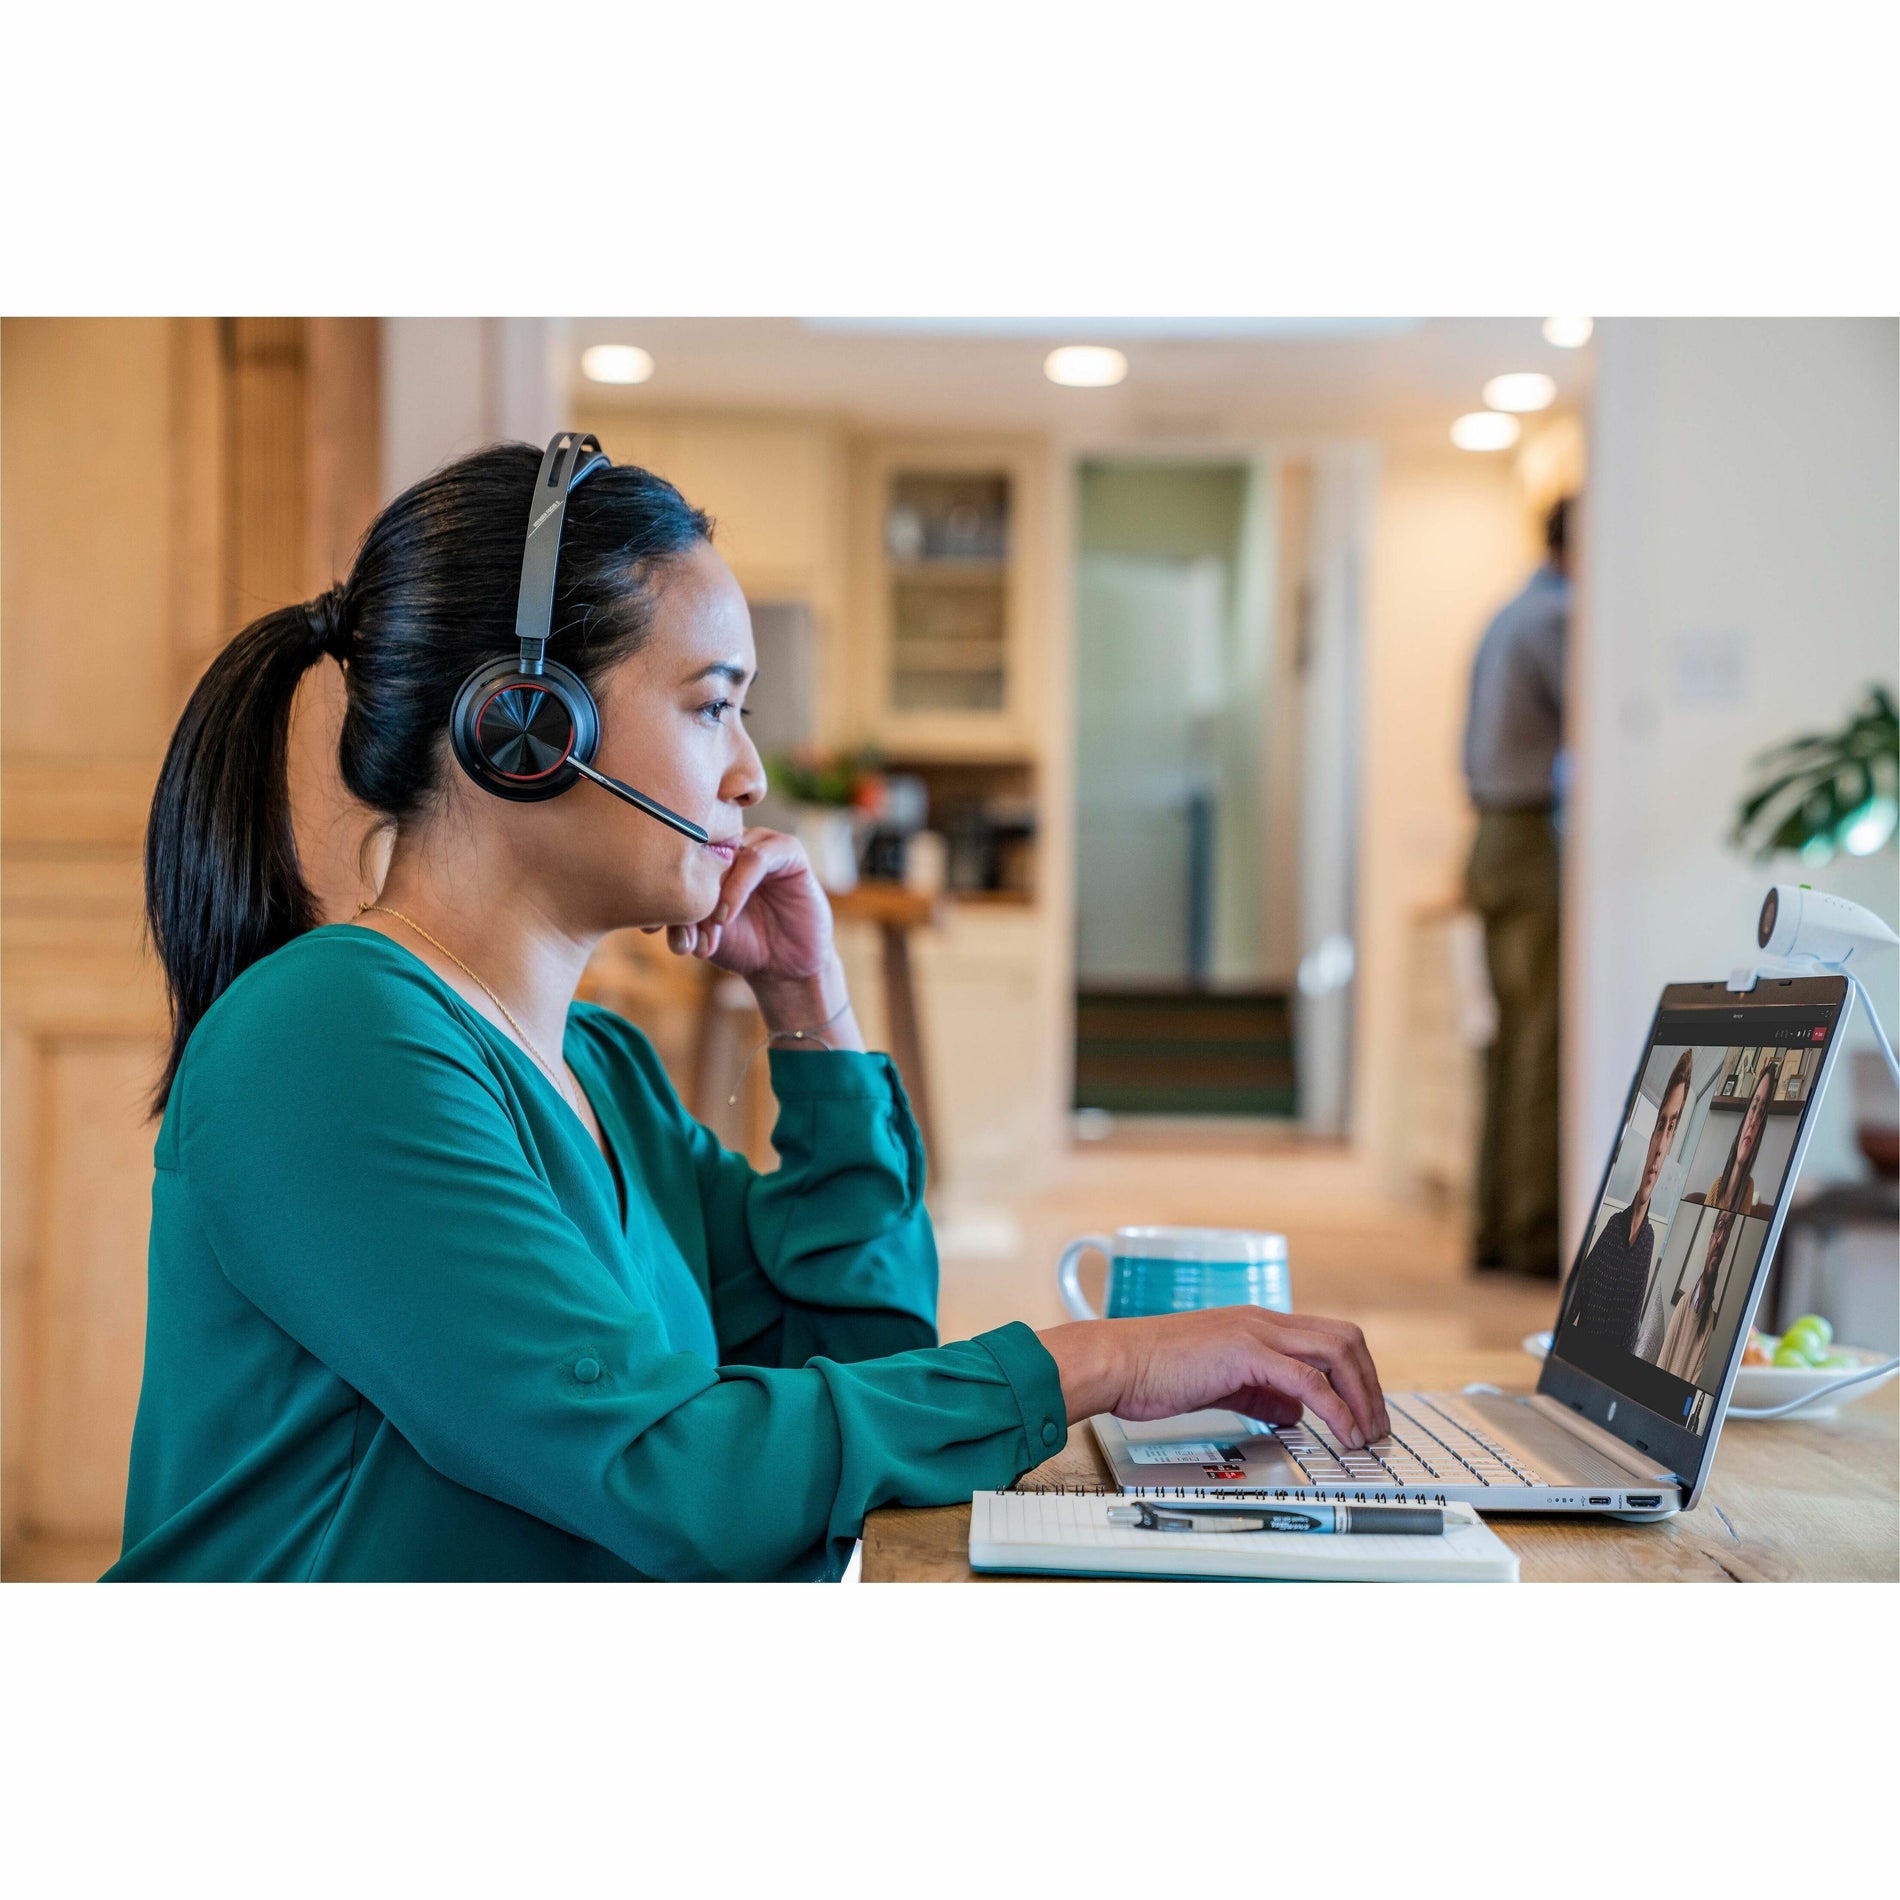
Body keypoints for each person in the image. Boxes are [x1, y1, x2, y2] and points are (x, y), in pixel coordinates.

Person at [108, 442, 1387, 1583]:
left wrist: (814, 1016)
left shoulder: (596, 1067)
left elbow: (850, 1349)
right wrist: (1100, 1360)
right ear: (524, 727)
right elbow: (678, 1478)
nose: (750, 771)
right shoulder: (331, 1039)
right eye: (713, 702)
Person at [1464, 495, 1573, 1279]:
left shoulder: (1511, 612)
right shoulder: (1559, 616)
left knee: (1509, 1045)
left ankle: (1496, 1230)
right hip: (1532, 837)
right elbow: (1593, 719)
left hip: (1494, 837)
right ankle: (1535, 1237)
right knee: (1541, 1043)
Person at [1565, 1049, 1693, 1351]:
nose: (1661, 1146)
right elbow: (1575, 1302)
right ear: (1651, 1135)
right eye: (1660, 1125)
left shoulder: (1648, 1240)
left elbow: (1633, 1325)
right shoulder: (1612, 1226)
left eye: (1672, 1128)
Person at [1655, 1209, 1735, 1385]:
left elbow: (1695, 1378)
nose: (1721, 1239)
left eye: (1727, 1231)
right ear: (1711, 1237)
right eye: (1720, 1227)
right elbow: (1665, 1355)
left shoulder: (1708, 1321)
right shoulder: (1685, 1302)